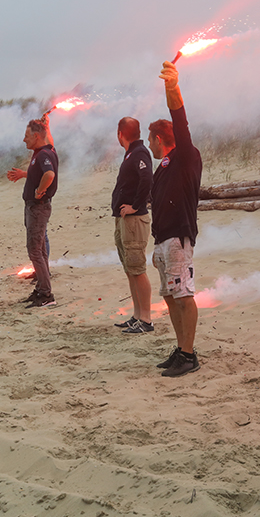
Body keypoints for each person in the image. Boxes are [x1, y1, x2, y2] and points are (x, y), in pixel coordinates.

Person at [148, 60, 203, 377]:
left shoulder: (185, 155)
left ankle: (188, 354)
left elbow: (181, 123)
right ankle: (180, 347)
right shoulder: (164, 166)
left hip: (179, 237)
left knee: (183, 295)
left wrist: (172, 87)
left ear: (158, 138)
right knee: (170, 296)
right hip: (163, 239)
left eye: (150, 139)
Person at [6, 118, 58, 308]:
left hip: (38, 208)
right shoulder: (45, 150)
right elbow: (49, 142)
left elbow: (49, 174)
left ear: (36, 136)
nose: (24, 140)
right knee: (40, 251)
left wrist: (40, 191)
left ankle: (45, 294)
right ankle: (42, 290)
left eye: (27, 136)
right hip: (36, 207)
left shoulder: (44, 154)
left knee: (35, 250)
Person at [111, 117, 154, 334]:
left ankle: (145, 319)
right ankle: (137, 316)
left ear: (121, 133)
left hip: (134, 221)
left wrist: (136, 206)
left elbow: (147, 178)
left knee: (137, 269)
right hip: (124, 221)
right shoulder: (132, 153)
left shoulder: (139, 153)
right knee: (130, 269)